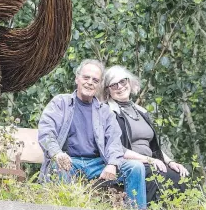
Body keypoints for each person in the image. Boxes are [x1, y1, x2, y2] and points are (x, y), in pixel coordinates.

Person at [38, 59, 147, 209]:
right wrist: (57, 154)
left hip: (97, 164)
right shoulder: (60, 103)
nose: (90, 82)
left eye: (95, 80)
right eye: (86, 77)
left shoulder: (104, 111)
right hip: (70, 161)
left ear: (99, 84)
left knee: (135, 167)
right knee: (60, 167)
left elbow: (114, 142)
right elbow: (46, 132)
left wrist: (112, 164)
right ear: (77, 78)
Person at [103, 65, 189, 204]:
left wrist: (170, 162)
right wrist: (149, 160)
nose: (120, 87)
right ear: (108, 91)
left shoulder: (141, 111)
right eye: (113, 85)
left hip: (151, 161)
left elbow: (153, 146)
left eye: (123, 81)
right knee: (156, 176)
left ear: (129, 82)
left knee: (180, 174)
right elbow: (116, 148)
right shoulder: (108, 111)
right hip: (130, 163)